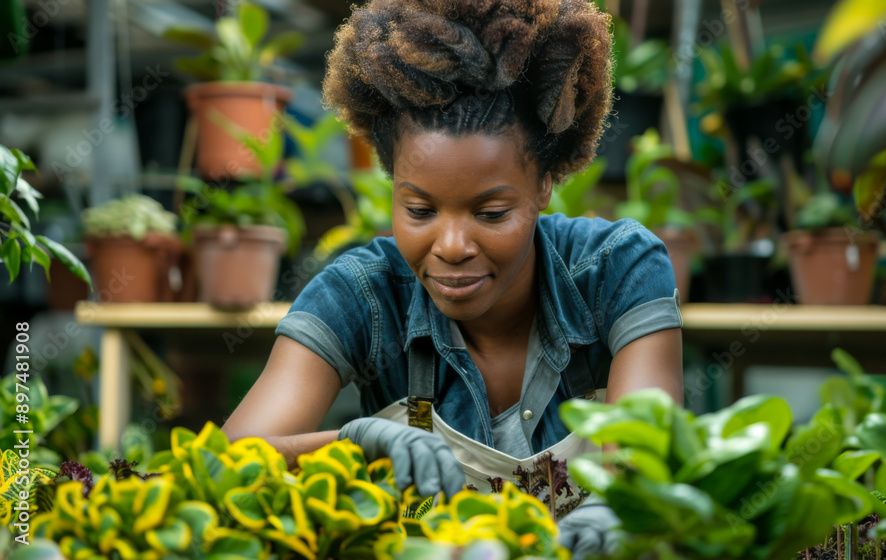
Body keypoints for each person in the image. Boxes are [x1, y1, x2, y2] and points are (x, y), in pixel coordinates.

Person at [221, 0, 684, 556]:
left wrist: (618, 508)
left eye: (490, 214)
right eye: (419, 211)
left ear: (545, 184)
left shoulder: (616, 270)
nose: (452, 247)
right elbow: (227, 464)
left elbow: (650, 450)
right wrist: (351, 444)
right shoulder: (363, 297)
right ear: (391, 185)